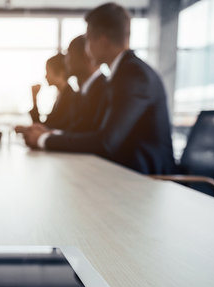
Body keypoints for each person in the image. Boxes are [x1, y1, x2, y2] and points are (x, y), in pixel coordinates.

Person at [19, 3, 175, 175]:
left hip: (147, 180)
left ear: (102, 41)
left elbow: (106, 142)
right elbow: (91, 129)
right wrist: (51, 133)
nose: (86, 48)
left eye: (87, 40)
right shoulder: (121, 73)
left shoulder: (134, 76)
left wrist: (44, 139)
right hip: (126, 173)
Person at [29, 53, 77, 130]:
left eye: (48, 71)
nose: (45, 76)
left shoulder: (71, 98)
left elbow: (47, 129)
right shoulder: (61, 96)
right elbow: (44, 126)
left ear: (61, 73)